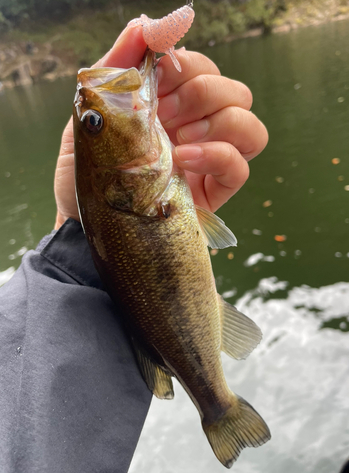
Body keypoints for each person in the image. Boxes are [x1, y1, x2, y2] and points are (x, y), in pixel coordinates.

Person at [0, 24, 268, 473]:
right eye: (95, 122)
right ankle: (219, 407)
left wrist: (74, 251)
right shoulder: (143, 189)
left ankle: (215, 404)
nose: (96, 107)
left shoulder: (141, 189)